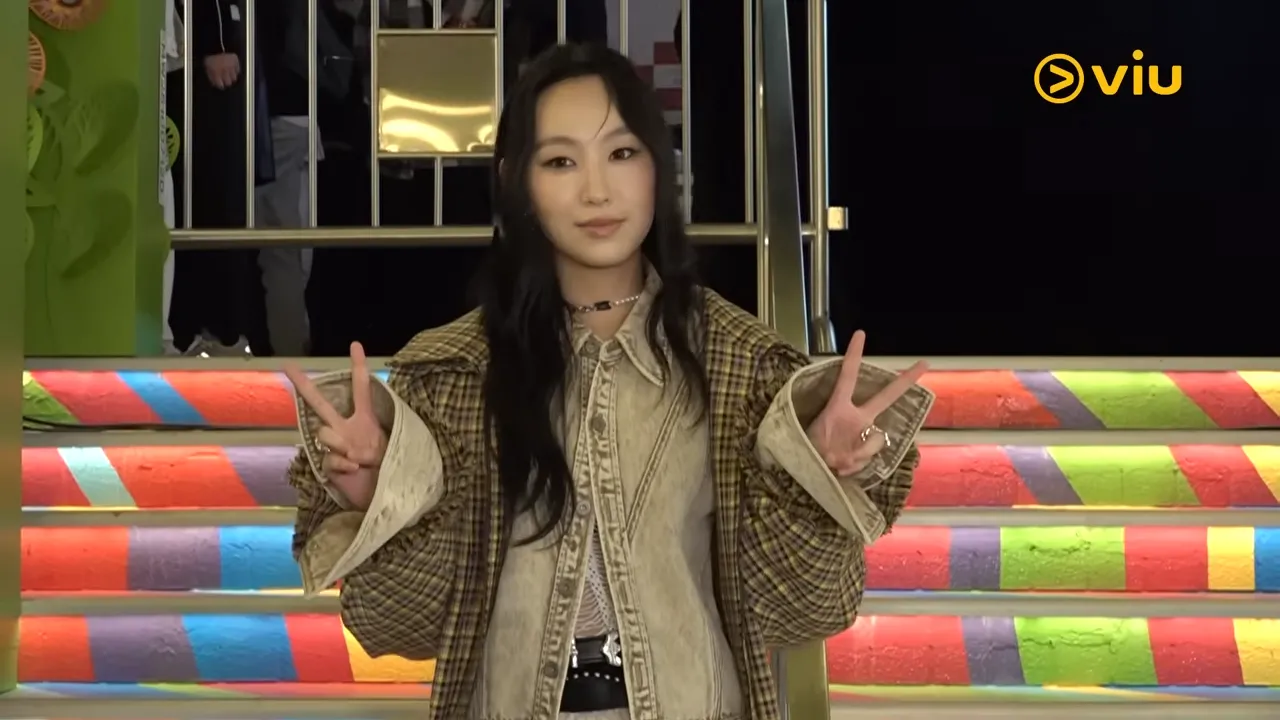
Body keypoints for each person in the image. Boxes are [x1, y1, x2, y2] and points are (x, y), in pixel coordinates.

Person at [284, 44, 934, 719]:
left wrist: (813, 479)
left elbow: (804, 613)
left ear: (658, 166)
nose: (596, 190)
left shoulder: (741, 364)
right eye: (560, 162)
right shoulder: (453, 373)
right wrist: (382, 500)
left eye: (621, 153)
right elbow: (399, 631)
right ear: (515, 181)